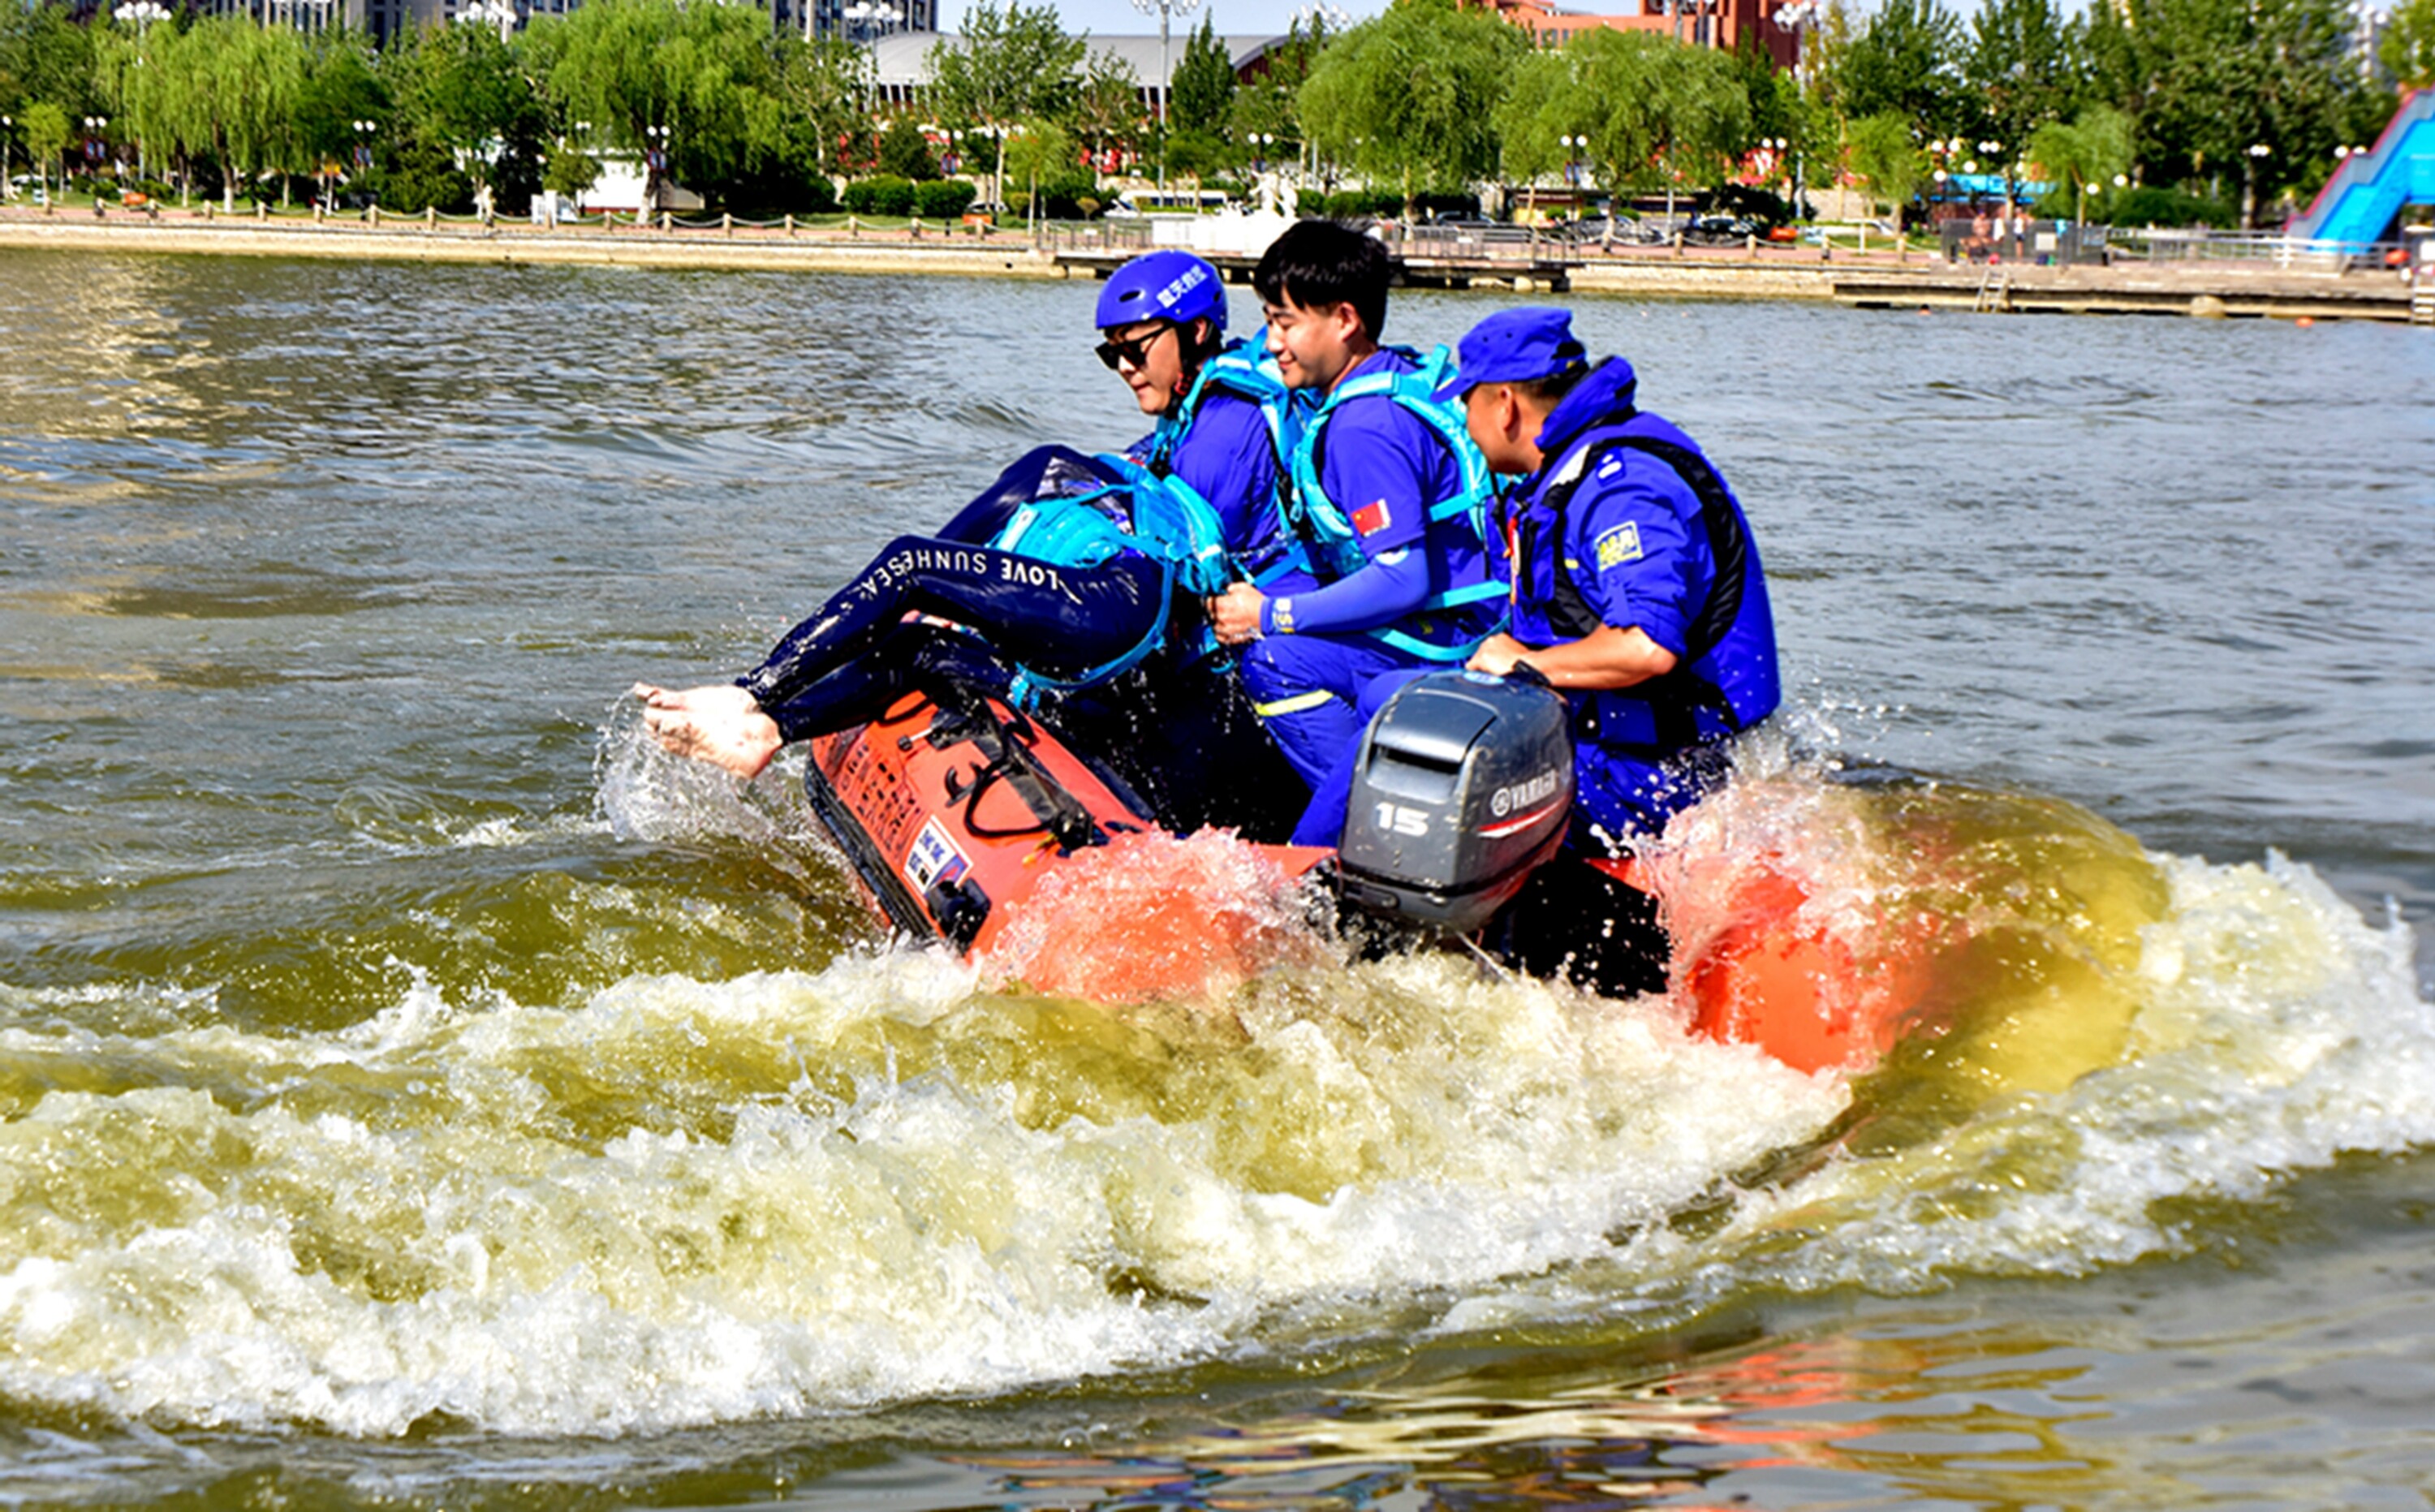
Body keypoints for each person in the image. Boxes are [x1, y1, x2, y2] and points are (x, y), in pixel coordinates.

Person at [634, 250, 1308, 835]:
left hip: (1184, 667)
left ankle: (755, 693)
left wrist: (990, 602)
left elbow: (1186, 581)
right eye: (1111, 355)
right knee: (937, 615)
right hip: (1144, 640)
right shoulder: (1186, 421)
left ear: (1193, 333)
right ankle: (767, 725)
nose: (1125, 368)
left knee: (931, 557)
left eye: (1136, 349)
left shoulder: (1225, 431)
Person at [1297, 307, 1781, 855]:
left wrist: (1524, 664)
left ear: (1503, 404)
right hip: (1603, 737)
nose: (1463, 418)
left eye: (1466, 401)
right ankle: (1334, 862)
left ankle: (1309, 886)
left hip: (1661, 776)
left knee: (1401, 727)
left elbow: (1647, 647)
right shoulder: (1564, 470)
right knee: (1387, 696)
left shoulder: (1622, 488)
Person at [1206, 220, 1506, 793]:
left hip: (1453, 638)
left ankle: (1369, 811)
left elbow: (1402, 578)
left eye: (1284, 322)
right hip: (1478, 609)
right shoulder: (1393, 375)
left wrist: (1270, 615)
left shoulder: (1363, 427)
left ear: (1345, 320)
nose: (1271, 343)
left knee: (1275, 660)